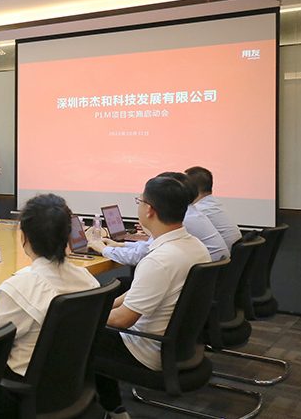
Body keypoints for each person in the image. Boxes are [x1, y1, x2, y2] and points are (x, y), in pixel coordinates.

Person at [91, 176, 210, 419]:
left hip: (145, 349)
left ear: (149, 210)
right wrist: (101, 306)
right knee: (90, 323)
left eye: (140, 201)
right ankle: (113, 408)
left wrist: (83, 316)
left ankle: (98, 409)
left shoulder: (159, 260)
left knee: (73, 334)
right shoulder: (195, 246)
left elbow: (122, 320)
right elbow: (136, 293)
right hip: (176, 345)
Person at [0, 194, 100, 418]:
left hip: (25, 389)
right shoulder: (89, 281)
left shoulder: (14, 289)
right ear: (68, 236)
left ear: (24, 237)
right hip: (73, 383)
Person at [88, 171, 228, 264]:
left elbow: (143, 254)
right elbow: (150, 247)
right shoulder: (189, 214)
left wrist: (104, 250)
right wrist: (121, 245)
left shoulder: (181, 220)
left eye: (140, 201)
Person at [185, 166, 243, 250]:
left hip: (222, 255)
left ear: (191, 189)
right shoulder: (214, 204)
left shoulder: (198, 211)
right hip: (229, 254)